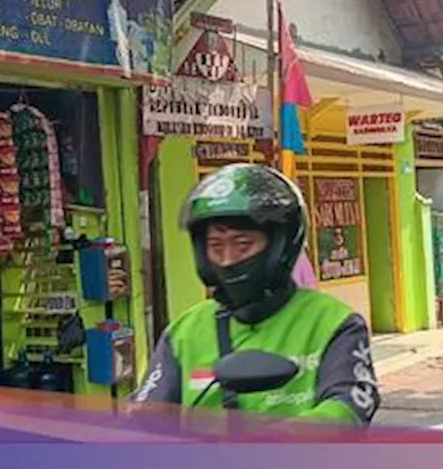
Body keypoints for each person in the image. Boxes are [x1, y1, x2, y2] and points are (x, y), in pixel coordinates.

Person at [132, 163, 379, 424]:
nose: (227, 260)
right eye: (216, 246)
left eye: (243, 245)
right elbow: (146, 413)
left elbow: (350, 405)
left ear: (279, 246)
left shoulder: (334, 323)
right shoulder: (185, 332)